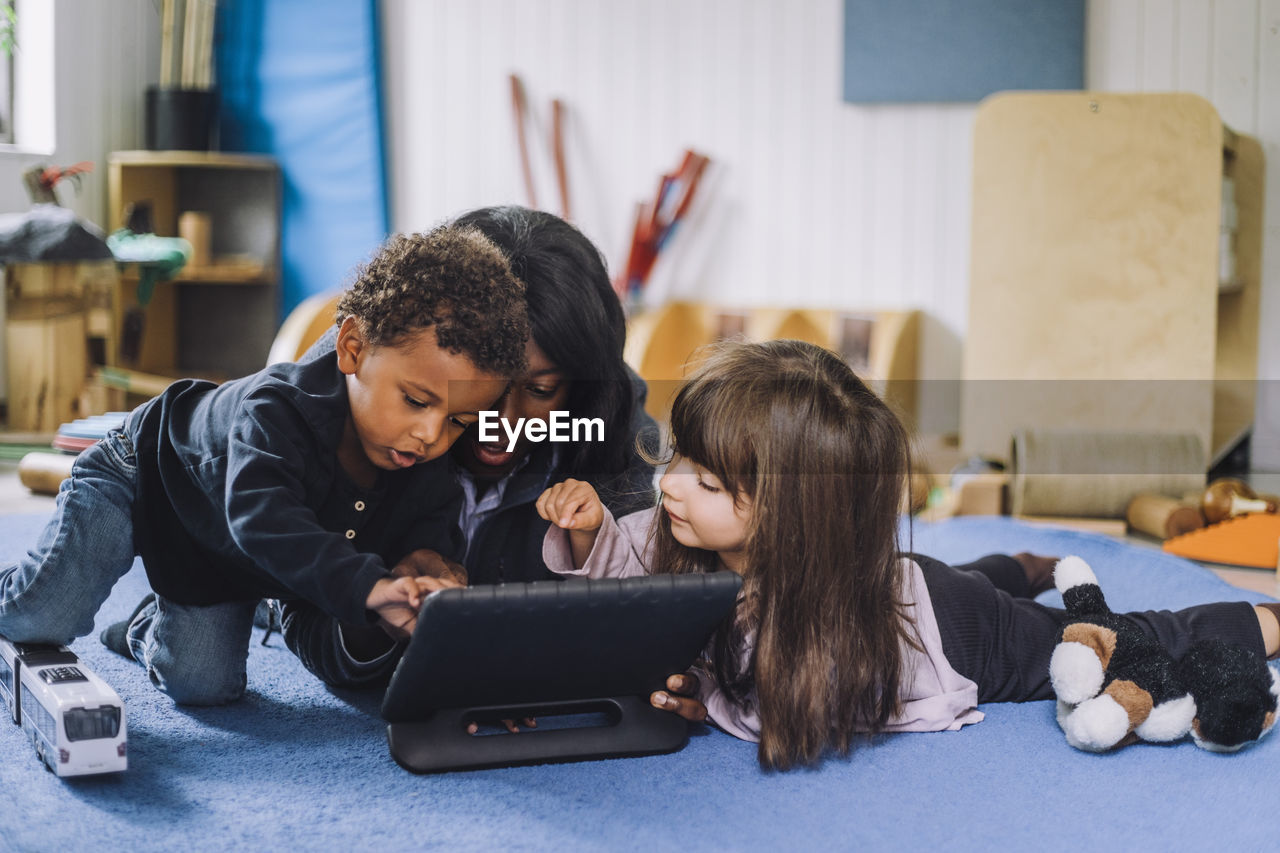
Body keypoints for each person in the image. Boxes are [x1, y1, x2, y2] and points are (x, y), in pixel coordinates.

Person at [536, 339, 1280, 770]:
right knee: (982, 577)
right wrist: (586, 529)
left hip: (948, 629)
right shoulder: (678, 524)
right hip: (907, 580)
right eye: (678, 456)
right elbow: (620, 576)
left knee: (1123, 636)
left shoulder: (826, 623)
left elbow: (801, 716)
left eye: (707, 480)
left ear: (790, 515)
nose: (671, 484)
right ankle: (1013, 564)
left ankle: (1269, 617)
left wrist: (710, 698)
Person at [0, 225, 528, 706]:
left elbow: (428, 529)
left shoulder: (423, 458)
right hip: (144, 473)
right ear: (351, 348)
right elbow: (264, 520)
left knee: (203, 688)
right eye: (415, 401)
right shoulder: (278, 408)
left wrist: (427, 569)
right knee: (38, 618)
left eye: (459, 420)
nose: (431, 434)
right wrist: (369, 587)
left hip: (222, 552)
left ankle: (143, 627)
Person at [274, 206, 660, 691]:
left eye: (541, 391)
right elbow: (305, 621)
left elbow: (642, 605)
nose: (502, 424)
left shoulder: (610, 411)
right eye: (473, 391)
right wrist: (376, 607)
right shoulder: (352, 391)